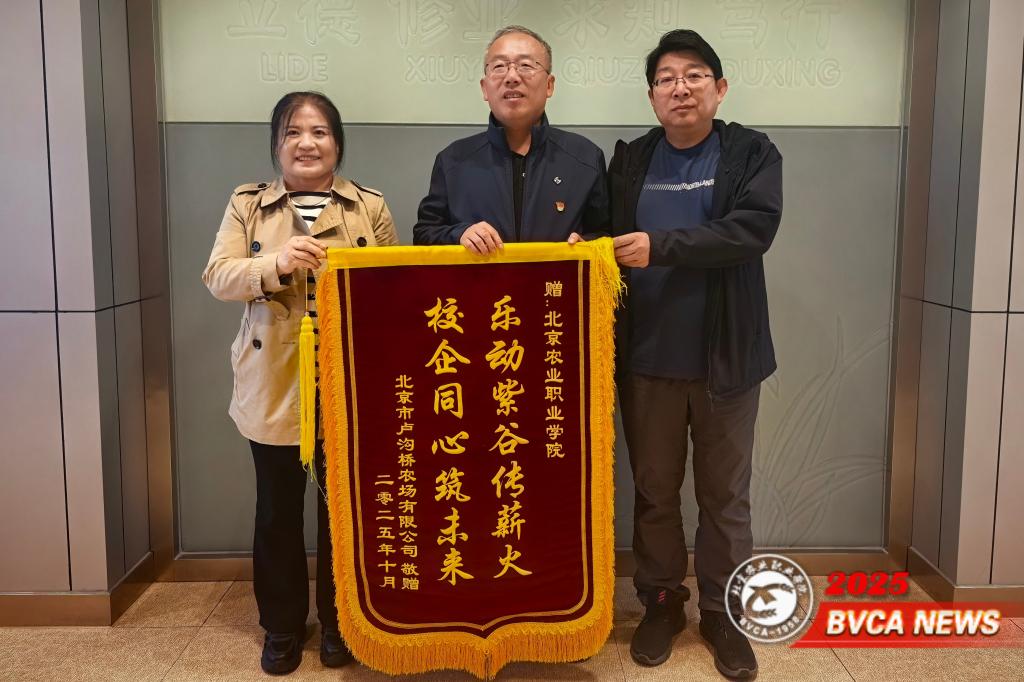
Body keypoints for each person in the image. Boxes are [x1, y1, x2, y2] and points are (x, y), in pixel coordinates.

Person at [202, 91, 398, 675]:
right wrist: (277, 263)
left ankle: (341, 622)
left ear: (337, 143)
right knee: (276, 510)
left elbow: (394, 288)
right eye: (293, 132)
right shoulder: (248, 205)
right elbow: (217, 276)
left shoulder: (369, 206)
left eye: (319, 132)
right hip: (273, 378)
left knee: (345, 510)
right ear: (277, 144)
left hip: (348, 377)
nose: (306, 143)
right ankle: (283, 626)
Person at [608, 30, 783, 679]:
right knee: (654, 492)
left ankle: (723, 613)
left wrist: (661, 247)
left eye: (694, 75)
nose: (679, 88)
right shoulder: (630, 159)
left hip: (726, 363)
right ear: (652, 95)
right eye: (666, 78)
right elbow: (602, 237)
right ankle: (660, 603)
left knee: (725, 498)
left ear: (720, 87)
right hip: (646, 360)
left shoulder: (750, 152)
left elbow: (751, 230)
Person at [413, 25, 608, 251]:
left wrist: (589, 246)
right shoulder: (453, 160)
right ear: (485, 88)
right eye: (499, 66)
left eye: (525, 65)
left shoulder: (585, 157)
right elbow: (424, 234)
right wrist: (459, 234)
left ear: (549, 85)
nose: (512, 77)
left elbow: (607, 235)